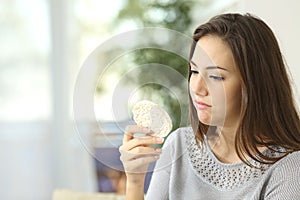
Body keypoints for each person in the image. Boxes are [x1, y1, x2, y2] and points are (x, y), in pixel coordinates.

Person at [119, 13, 300, 200]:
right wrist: (135, 181)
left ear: (255, 83)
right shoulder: (179, 145)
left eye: (216, 76)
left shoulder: (289, 170)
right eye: (195, 71)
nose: (197, 88)